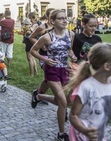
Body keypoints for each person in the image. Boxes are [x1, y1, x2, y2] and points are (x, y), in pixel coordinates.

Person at [68, 43, 111, 141]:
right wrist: (85, 131)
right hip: (82, 134)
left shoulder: (110, 81)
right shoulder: (86, 87)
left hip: (98, 132)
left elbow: (109, 97)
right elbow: (73, 115)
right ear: (107, 66)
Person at [30, 9, 77, 141]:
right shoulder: (47, 37)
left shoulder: (70, 34)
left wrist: (72, 55)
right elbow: (33, 50)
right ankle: (61, 133)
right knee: (62, 102)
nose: (64, 20)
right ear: (52, 21)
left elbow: (69, 49)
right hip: (52, 70)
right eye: (61, 18)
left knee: (65, 101)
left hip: (65, 69)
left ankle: (38, 96)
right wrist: (44, 59)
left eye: (65, 18)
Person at [30, 8, 54, 106]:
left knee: (49, 78)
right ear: (47, 16)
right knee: (51, 75)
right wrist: (40, 44)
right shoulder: (42, 27)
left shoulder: (59, 27)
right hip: (44, 56)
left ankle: (39, 93)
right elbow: (31, 37)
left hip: (55, 56)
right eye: (52, 15)